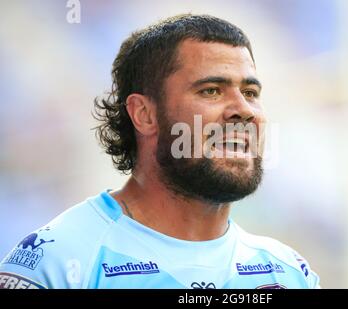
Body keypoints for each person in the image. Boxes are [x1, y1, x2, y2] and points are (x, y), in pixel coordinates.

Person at [0, 14, 320, 289]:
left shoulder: (286, 272)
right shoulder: (56, 264)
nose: (244, 109)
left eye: (250, 92)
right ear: (144, 114)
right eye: (211, 90)